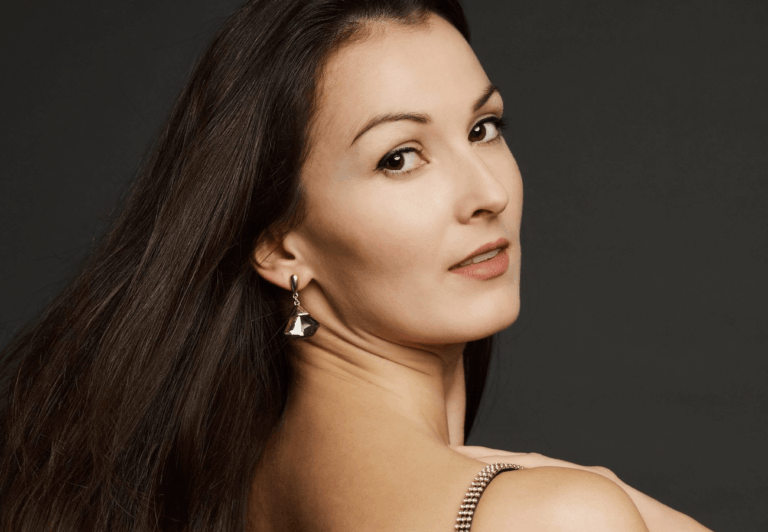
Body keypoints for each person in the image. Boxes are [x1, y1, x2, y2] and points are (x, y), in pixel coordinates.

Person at [0, 1, 714, 531]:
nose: (488, 194)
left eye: (483, 128)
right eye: (399, 158)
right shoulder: (548, 517)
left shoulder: (248, 483)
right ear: (279, 245)